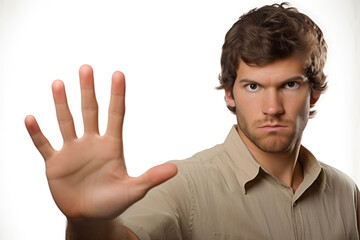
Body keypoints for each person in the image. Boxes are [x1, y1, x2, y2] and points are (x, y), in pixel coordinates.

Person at [25, 2, 359, 240]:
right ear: (229, 93)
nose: (272, 107)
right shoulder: (183, 185)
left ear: (313, 93)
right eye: (253, 86)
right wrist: (88, 224)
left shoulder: (346, 194)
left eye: (289, 84)